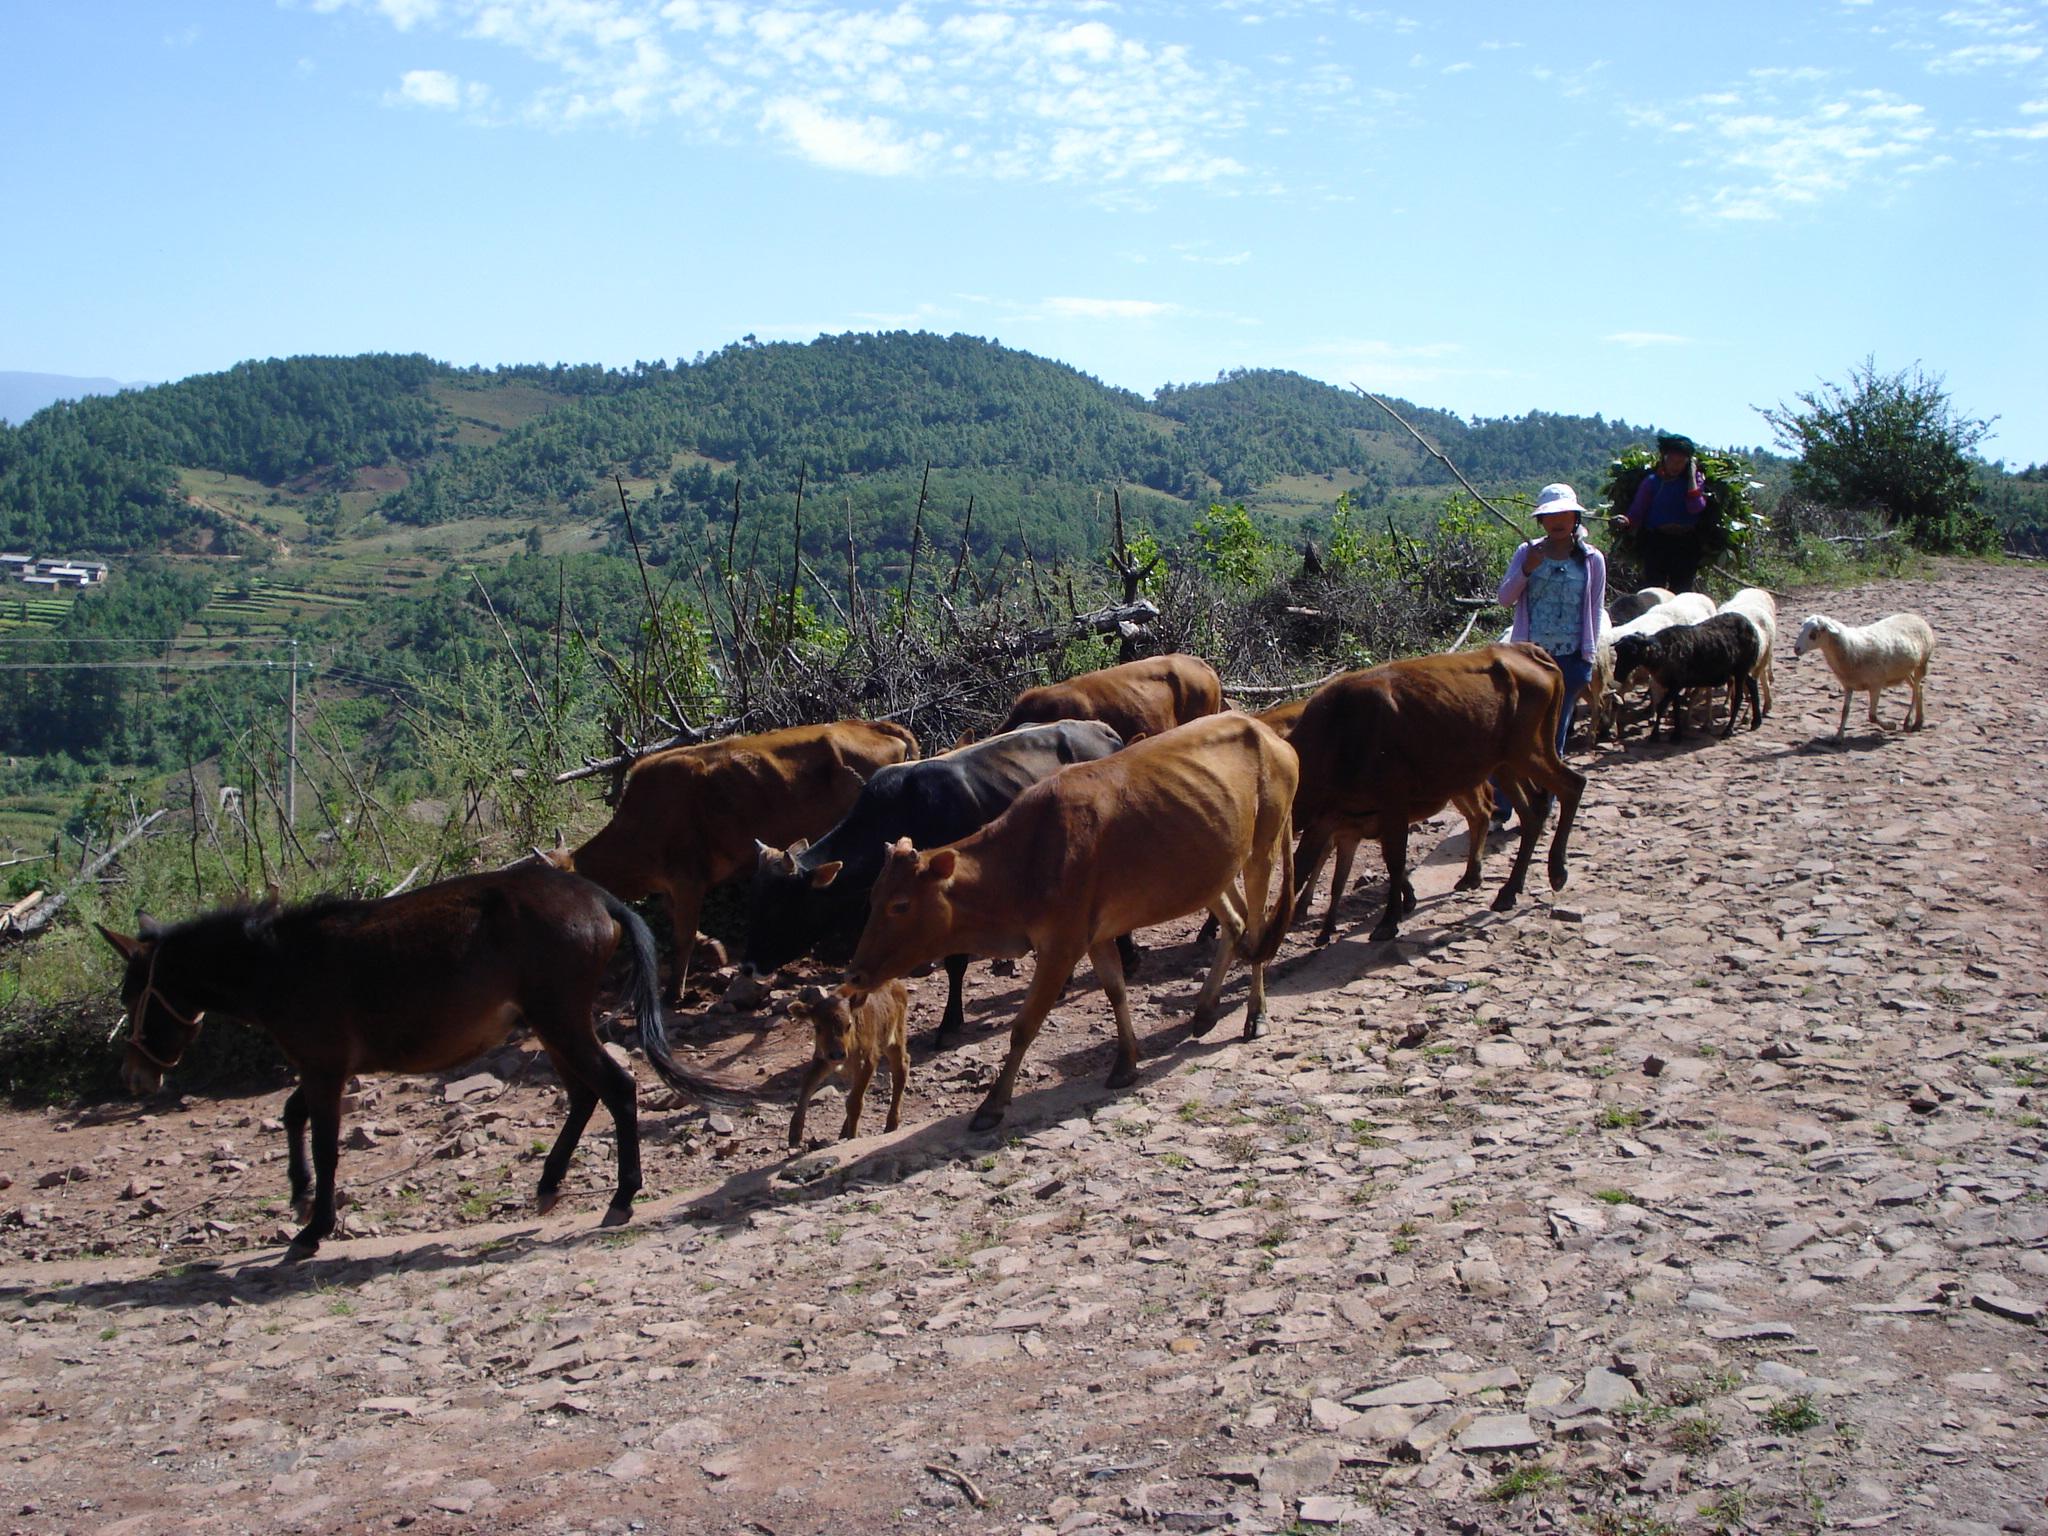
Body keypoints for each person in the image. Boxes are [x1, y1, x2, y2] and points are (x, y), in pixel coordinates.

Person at [1491, 483, 1607, 825]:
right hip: (1528, 661)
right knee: (1511, 732)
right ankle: (1501, 806)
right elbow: (1505, 598)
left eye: (1563, 514)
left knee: (1554, 736)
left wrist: (1588, 656)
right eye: (1549, 515)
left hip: (1570, 660)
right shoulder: (1526, 553)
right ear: (1541, 521)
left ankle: (1543, 802)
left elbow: (1595, 610)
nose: (1556, 521)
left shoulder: (1592, 559)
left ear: (1575, 517)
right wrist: (1527, 569)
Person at [1619, 433, 1708, 592]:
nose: (1675, 466)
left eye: (1680, 462)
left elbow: (1695, 507)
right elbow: (1637, 511)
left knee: (1681, 593)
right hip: (1657, 542)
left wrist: (1692, 477)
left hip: (1686, 545)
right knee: (1653, 591)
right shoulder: (1652, 482)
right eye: (1671, 461)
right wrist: (1626, 521)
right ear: (1663, 459)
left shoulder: (1695, 481)